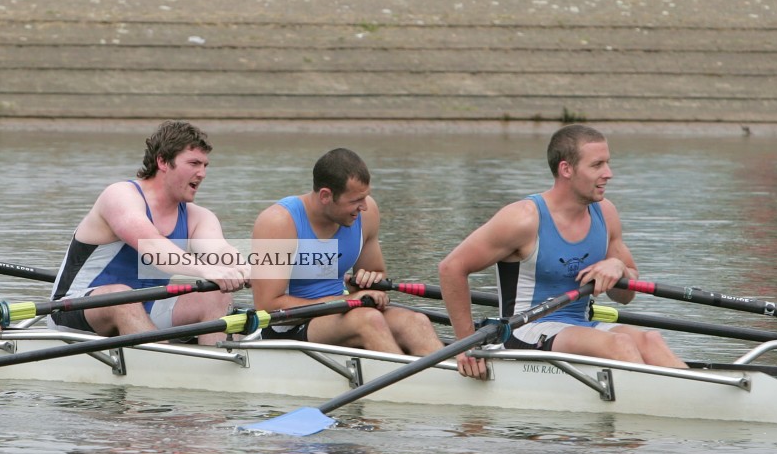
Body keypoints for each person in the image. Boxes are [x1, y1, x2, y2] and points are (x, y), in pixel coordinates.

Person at [437, 124, 687, 379]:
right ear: (566, 169)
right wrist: (466, 345)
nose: (608, 173)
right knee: (620, 344)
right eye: (597, 165)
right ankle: (653, 402)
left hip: (580, 324)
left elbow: (626, 297)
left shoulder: (606, 213)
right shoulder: (523, 219)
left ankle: (694, 399)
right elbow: (451, 268)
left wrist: (618, 267)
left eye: (608, 163)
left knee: (650, 340)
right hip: (524, 331)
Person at [50, 120, 248, 345]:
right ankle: (165, 366)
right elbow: (153, 247)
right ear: (163, 161)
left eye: (205, 165)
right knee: (122, 297)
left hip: (147, 309)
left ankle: (217, 365)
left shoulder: (198, 216)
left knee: (216, 295)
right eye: (193, 163)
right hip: (75, 309)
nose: (202, 173)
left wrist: (240, 266)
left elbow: (219, 250)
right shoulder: (120, 196)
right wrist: (209, 271)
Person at [250, 148, 443, 355]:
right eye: (354, 201)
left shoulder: (366, 214)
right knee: (369, 320)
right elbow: (268, 306)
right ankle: (407, 385)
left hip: (345, 312)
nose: (364, 207)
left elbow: (377, 278)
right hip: (287, 326)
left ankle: (448, 379)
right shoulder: (278, 223)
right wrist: (347, 301)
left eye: (365, 197)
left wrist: (362, 287)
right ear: (326, 195)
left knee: (417, 322)